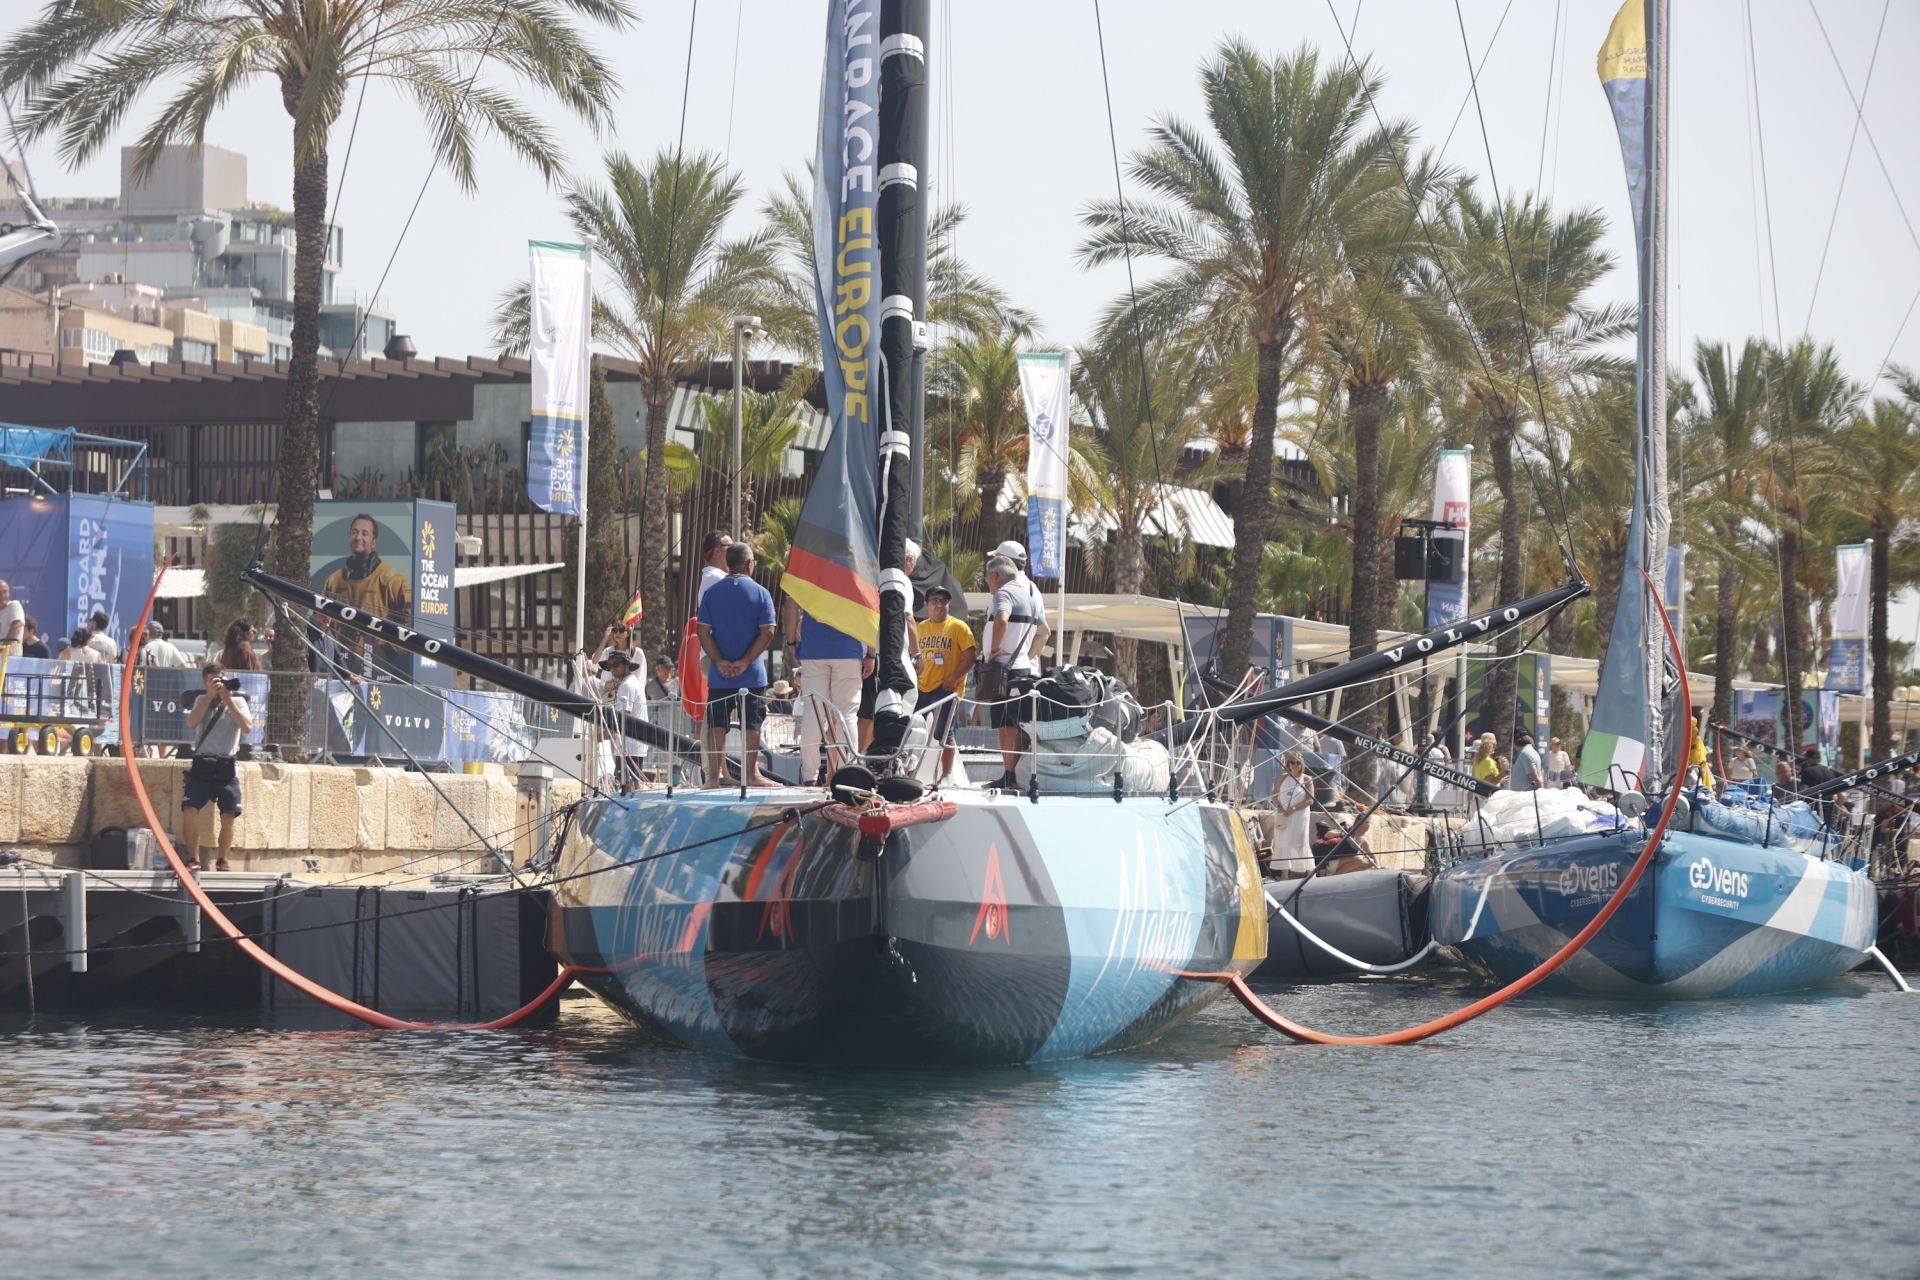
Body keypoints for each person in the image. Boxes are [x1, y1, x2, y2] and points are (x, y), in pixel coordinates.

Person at [697, 542, 776, 788]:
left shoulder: (712, 593)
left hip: (720, 676)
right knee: (752, 723)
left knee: (716, 724)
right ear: (750, 564)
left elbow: (702, 631)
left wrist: (720, 661)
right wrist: (744, 662)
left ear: (728, 564)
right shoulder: (761, 593)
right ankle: (752, 775)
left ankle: (712, 778)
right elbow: (768, 632)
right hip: (751, 674)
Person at [980, 553, 1049, 790]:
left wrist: (995, 649)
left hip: (1003, 670)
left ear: (995, 575)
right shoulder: (1029, 595)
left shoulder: (1004, 593)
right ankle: (1014, 775)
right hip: (1021, 668)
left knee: (1005, 725)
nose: (987, 582)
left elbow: (1001, 619)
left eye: (987, 577)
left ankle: (1009, 775)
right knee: (1017, 724)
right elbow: (1044, 632)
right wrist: (1026, 656)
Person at [785, 590, 865, 785]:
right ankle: (848, 774)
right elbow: (869, 608)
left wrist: (791, 641)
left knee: (813, 713)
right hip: (848, 648)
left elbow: (791, 604)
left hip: (814, 648)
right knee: (847, 714)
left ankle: (809, 777)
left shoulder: (812, 566)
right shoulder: (855, 569)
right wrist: (871, 652)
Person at [320, 513, 414, 678]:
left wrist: (387, 650)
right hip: (339, 670)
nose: (358, 537)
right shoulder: (333, 581)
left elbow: (410, 622)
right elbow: (320, 621)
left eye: (364, 533)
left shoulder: (393, 580)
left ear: (374, 542)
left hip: (380, 672)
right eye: (354, 532)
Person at [182, 660, 252, 872]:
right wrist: (210, 697)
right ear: (205, 682)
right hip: (203, 763)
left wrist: (228, 700)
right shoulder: (202, 700)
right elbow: (192, 723)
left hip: (226, 765)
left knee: (229, 815)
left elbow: (247, 728)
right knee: (189, 810)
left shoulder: (237, 702)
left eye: (220, 679)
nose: (218, 683)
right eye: (213, 680)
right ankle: (192, 859)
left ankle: (222, 859)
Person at [915, 584, 976, 779]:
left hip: (946, 688)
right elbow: (915, 655)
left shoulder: (959, 627)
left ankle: (948, 774)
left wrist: (953, 678)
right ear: (926, 605)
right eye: (934, 601)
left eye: (943, 601)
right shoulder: (920, 627)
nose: (939, 605)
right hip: (922, 686)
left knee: (945, 732)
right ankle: (911, 772)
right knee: (915, 731)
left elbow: (970, 656)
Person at [599, 650, 650, 792]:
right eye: (610, 666)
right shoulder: (632, 682)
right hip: (633, 745)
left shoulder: (626, 686)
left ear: (626, 665)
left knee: (626, 784)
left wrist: (605, 734)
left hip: (629, 746)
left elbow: (622, 718)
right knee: (633, 782)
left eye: (616, 664)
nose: (612, 669)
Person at [1269, 751, 1313, 875]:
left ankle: (1309, 872)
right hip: (1283, 814)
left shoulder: (1307, 779)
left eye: (1298, 763)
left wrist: (1293, 809)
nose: (1295, 765)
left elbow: (1310, 799)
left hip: (1299, 815)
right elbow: (1274, 794)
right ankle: (1285, 874)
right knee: (1284, 841)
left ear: (1302, 765)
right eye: (1292, 762)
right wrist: (1280, 807)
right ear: (1288, 764)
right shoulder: (1283, 777)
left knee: (1300, 841)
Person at [0, 578, 24, 650]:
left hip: (10, 658)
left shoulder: (14, 605)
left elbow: (16, 626)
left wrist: (3, 649)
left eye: (5, 592)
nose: (2, 596)